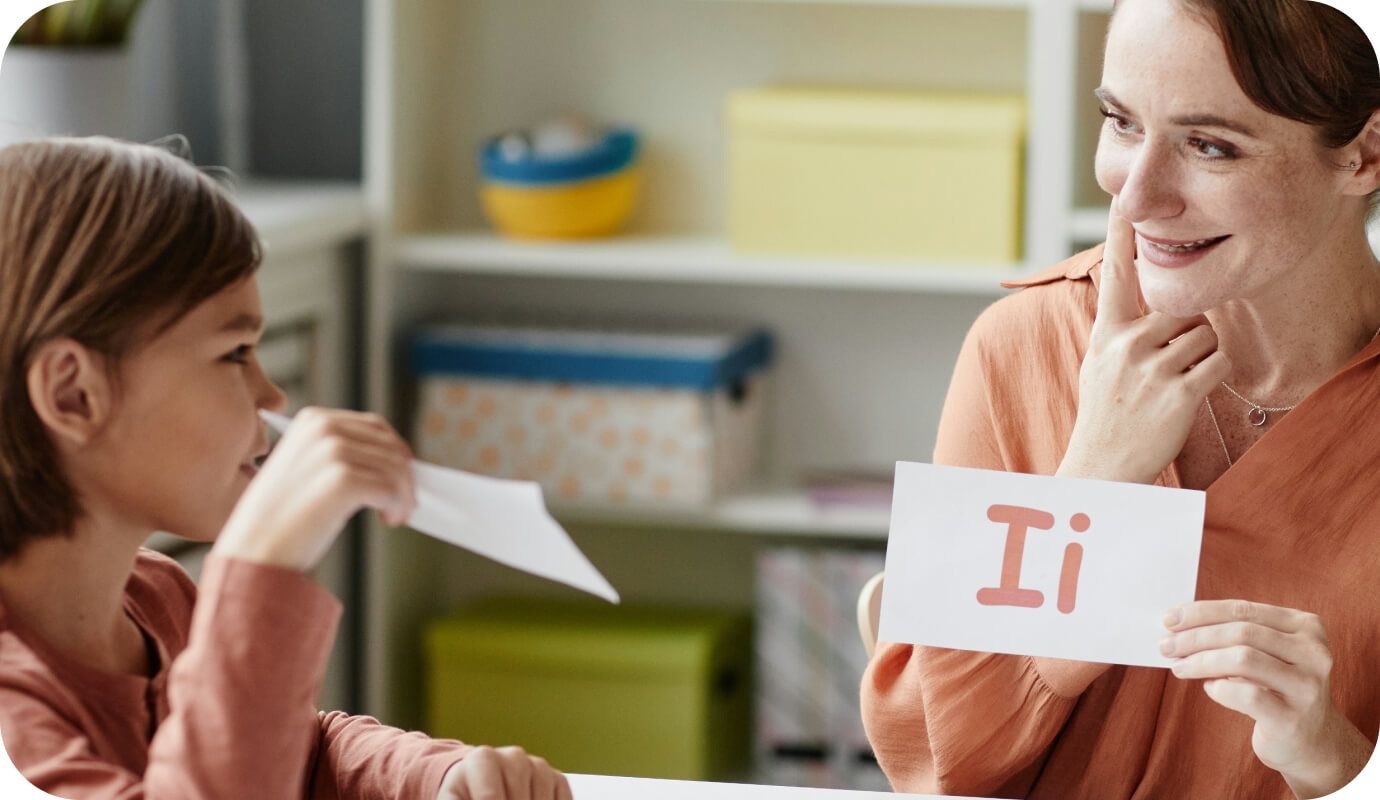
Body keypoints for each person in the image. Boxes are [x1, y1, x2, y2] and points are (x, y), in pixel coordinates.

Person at [861, 0, 1380, 798]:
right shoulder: (1022, 344)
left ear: (1364, 155)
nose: (1135, 198)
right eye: (1120, 121)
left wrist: (1334, 762)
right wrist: (1093, 484)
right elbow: (941, 761)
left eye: (1210, 145)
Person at [0, 137, 572, 800]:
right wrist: (259, 569)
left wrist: (433, 774)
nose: (273, 398)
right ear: (74, 394)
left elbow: (296, 750)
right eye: (235, 353)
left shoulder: (157, 598)